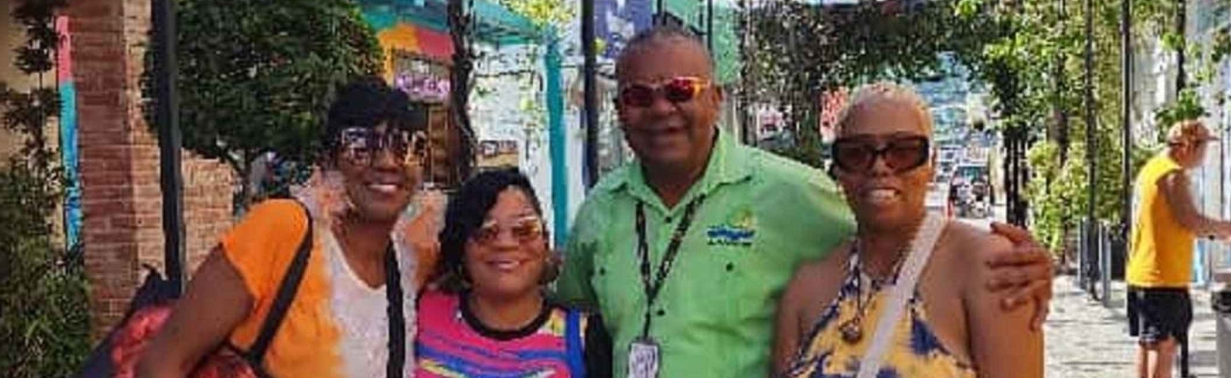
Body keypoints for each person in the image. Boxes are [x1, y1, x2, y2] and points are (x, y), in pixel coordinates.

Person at [556, 26, 1054, 378]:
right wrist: (520, 261)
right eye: (639, 97)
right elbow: (564, 294)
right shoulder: (600, 210)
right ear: (619, 109)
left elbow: (888, 231)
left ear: (716, 99)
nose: (661, 108)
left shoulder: (792, 194)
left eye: (680, 90)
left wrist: (1028, 267)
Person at [137, 77, 434, 378]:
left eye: (407, 146)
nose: (387, 162)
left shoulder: (413, 260)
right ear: (328, 159)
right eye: (361, 145)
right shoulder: (283, 230)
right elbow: (162, 363)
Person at [772, 84, 1043, 378]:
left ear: (932, 163)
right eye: (856, 153)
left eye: (903, 151)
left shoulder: (990, 268)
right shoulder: (806, 289)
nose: (879, 167)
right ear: (838, 169)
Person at [415, 169, 610, 377]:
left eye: (524, 229)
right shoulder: (421, 314)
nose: (506, 243)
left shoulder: (585, 338)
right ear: (461, 247)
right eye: (486, 232)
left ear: (544, 239)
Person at [1126, 119, 1231, 378]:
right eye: (1203, 147)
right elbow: (1190, 220)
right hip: (1163, 276)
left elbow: (1175, 224)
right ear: (1187, 146)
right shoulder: (1172, 174)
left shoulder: (1151, 169)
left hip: (1145, 273)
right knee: (1163, 346)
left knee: (1148, 344)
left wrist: (1219, 235)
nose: (1204, 155)